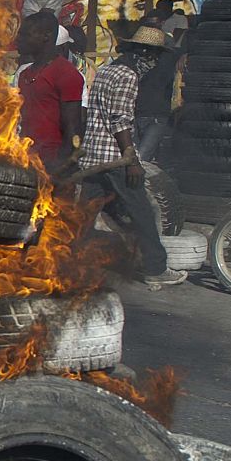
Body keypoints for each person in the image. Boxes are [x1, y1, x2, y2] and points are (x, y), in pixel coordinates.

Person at [78, 25, 186, 287]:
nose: (156, 62)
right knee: (142, 213)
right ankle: (155, 268)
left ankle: (70, 260)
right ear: (144, 53)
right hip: (116, 158)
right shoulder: (127, 76)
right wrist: (132, 160)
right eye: (155, 56)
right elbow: (120, 121)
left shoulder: (106, 70)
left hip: (93, 155)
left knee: (83, 215)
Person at [14, 11, 84, 175]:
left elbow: (73, 126)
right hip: (26, 159)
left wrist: (63, 164)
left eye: (26, 34)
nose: (19, 39)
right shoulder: (25, 74)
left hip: (53, 163)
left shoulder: (66, 73)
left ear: (46, 36)